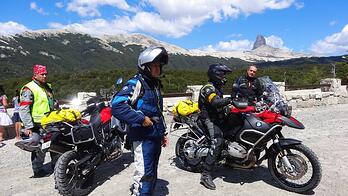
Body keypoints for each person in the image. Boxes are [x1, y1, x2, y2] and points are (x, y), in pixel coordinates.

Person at [112, 46, 169, 196]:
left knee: (152, 171)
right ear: (145, 66)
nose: (158, 69)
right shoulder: (136, 83)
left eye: (159, 66)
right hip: (142, 137)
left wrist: (162, 133)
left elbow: (157, 111)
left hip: (155, 136)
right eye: (155, 65)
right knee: (144, 174)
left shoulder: (154, 84)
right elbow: (117, 105)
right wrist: (141, 118)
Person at [198, 63, 233, 190]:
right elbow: (215, 102)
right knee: (217, 141)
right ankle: (205, 174)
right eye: (223, 74)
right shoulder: (208, 88)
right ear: (216, 74)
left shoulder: (217, 87)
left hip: (218, 117)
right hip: (209, 119)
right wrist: (230, 100)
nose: (224, 77)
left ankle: (231, 160)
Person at [18, 64, 56, 178]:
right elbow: (24, 109)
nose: (45, 76)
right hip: (37, 124)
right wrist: (28, 126)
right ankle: (37, 170)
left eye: (46, 74)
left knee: (55, 143)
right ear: (35, 75)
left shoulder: (47, 86)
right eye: (42, 74)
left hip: (50, 121)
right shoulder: (29, 89)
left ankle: (57, 164)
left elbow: (50, 102)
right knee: (39, 147)